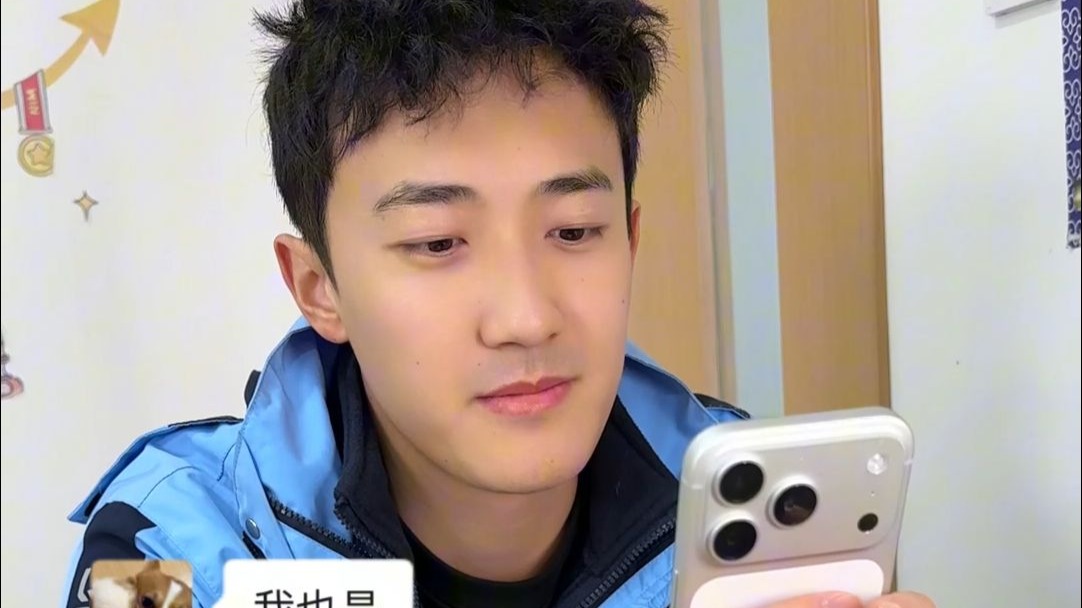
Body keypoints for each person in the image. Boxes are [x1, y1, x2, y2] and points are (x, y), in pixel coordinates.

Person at [60, 1, 936, 607]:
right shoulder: (161, 538)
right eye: (438, 243)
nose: (525, 317)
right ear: (318, 288)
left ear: (631, 241)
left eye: (574, 230)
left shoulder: (736, 505)